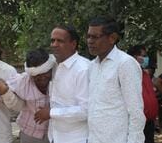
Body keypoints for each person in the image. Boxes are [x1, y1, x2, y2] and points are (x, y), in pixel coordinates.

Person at [87, 15, 146, 143]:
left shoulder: (125, 64)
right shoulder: (92, 66)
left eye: (95, 37)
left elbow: (136, 112)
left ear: (112, 38)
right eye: (88, 36)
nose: (90, 41)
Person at [34, 25, 90, 143]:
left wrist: (51, 112)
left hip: (76, 138)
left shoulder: (83, 69)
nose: (54, 44)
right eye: (52, 40)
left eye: (60, 41)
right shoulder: (53, 65)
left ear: (73, 44)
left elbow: (86, 110)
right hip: (55, 136)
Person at [0, 48, 55, 143]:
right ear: (31, 74)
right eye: (37, 75)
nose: (41, 77)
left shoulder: (61, 78)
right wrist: (3, 91)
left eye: (45, 73)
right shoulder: (22, 81)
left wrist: (51, 111)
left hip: (56, 133)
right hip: (29, 133)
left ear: (50, 67)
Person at [127, 45, 158, 143]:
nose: (146, 59)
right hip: (138, 122)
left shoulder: (145, 74)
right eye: (143, 56)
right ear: (134, 57)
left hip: (150, 122)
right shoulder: (129, 74)